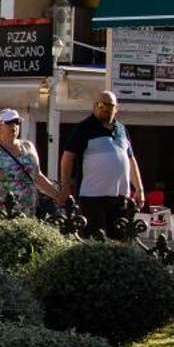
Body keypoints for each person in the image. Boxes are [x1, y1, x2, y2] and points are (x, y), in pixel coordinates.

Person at [59, 89, 144, 238]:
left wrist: (139, 189)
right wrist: (65, 186)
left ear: (116, 108)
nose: (103, 108)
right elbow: (67, 158)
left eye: (108, 105)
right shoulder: (84, 128)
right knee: (94, 241)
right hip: (92, 197)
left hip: (120, 198)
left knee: (119, 241)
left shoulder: (122, 130)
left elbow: (130, 159)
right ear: (94, 106)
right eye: (99, 104)